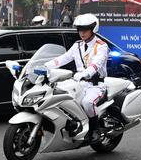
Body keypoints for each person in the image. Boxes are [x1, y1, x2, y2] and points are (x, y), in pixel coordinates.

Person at [45, 14, 108, 144]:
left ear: (93, 29)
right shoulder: (77, 45)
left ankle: (95, 129)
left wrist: (86, 73)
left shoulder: (101, 46)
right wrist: (46, 66)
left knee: (87, 103)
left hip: (95, 85)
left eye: (85, 29)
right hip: (79, 83)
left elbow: (96, 64)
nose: (82, 33)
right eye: (80, 29)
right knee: (61, 98)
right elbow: (63, 59)